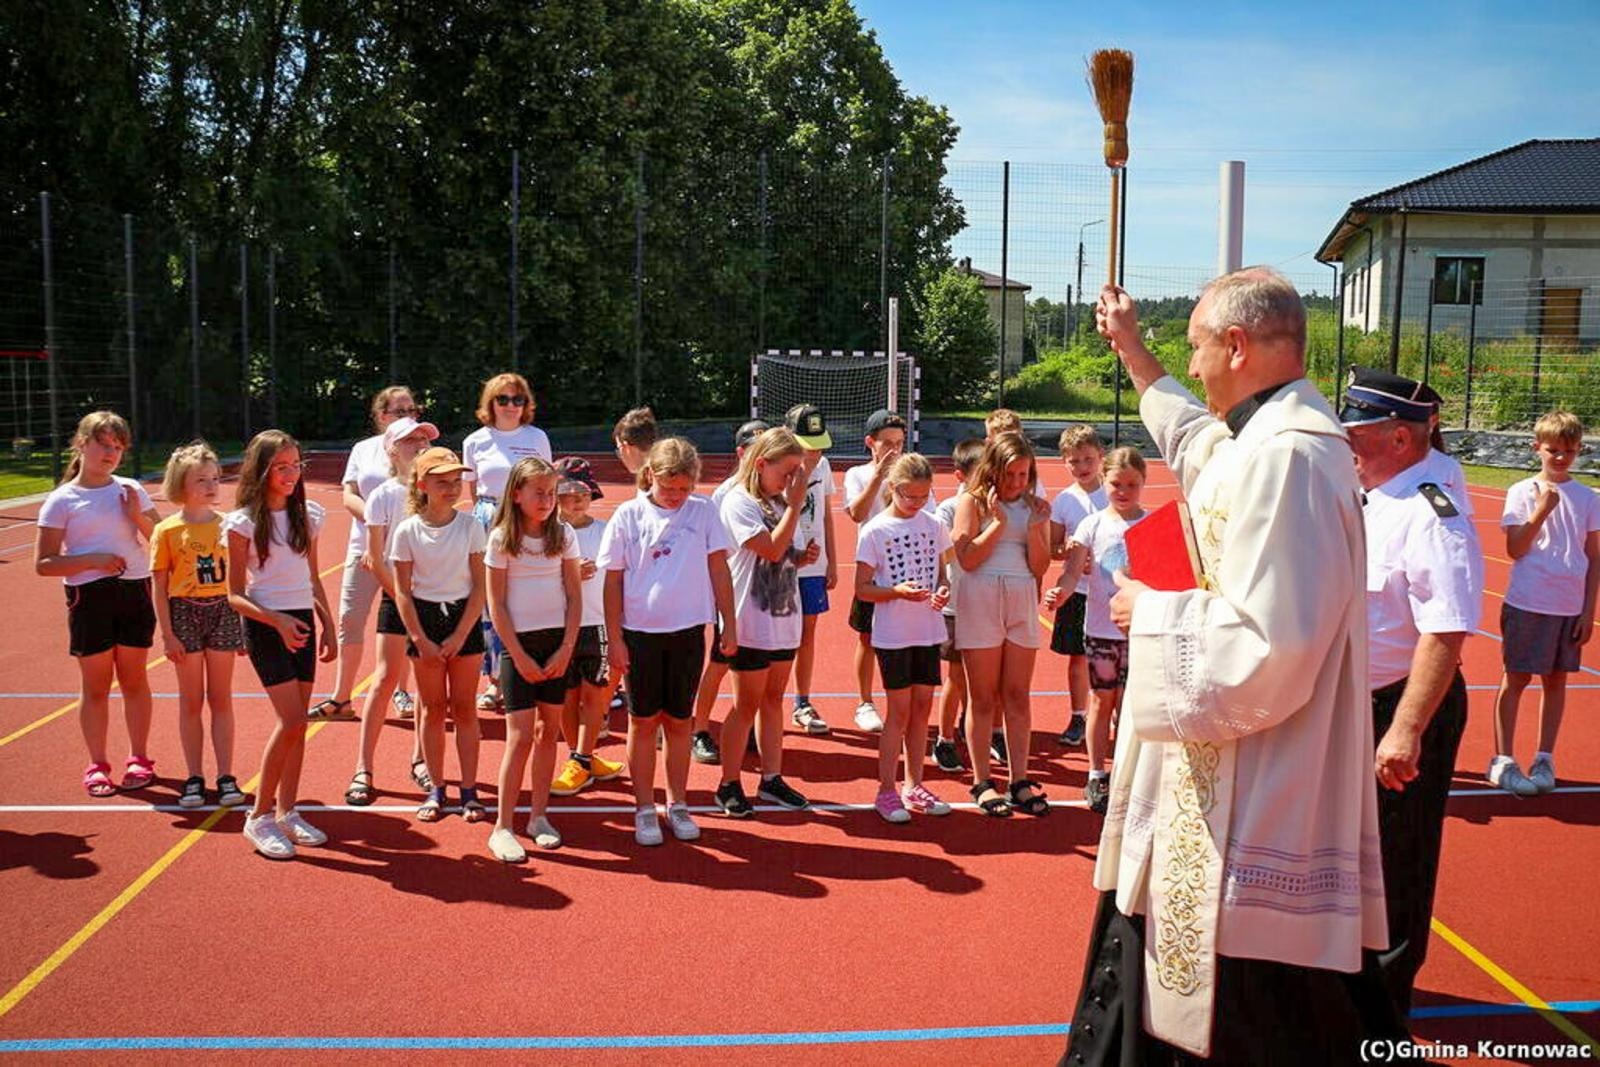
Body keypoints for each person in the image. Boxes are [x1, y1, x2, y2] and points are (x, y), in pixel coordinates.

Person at [1063, 270, 1399, 1063]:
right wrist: (1135, 353)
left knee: (1263, 1018)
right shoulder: (1262, 440)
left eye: (1200, 348)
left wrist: (1151, 612)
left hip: (1254, 799)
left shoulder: (1290, 458)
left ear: (1238, 345)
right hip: (1216, 782)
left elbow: (1270, 645)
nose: (1199, 365)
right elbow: (1195, 439)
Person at [1342, 366, 1485, 1018]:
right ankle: (1348, 998)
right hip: (1355, 704)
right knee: (1349, 860)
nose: (1346, 439)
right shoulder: (1374, 493)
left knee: (1395, 870)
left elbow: (1446, 629)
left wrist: (1405, 728)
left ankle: (1381, 1027)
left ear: (1401, 437)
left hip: (1401, 704)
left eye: (1358, 429)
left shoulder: (1432, 511)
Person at [600, 438, 736, 846]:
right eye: (668, 487)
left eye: (684, 488)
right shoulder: (628, 514)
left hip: (688, 632)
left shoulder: (705, 511)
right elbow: (612, 581)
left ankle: (677, 804)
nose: (676, 496)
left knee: (680, 722)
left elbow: (719, 570)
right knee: (642, 722)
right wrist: (615, 639)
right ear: (650, 476)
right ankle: (644, 807)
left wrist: (729, 623)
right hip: (640, 635)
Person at [35, 411, 161, 798]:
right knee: (96, 686)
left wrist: (136, 516)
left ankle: (139, 758)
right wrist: (94, 560)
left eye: (117, 447)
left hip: (134, 589)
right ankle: (98, 764)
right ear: (81, 444)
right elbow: (44, 563)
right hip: (89, 596)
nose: (110, 453)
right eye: (103, 444)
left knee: (135, 679)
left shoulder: (130, 490)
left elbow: (162, 540)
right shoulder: (61, 500)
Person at [225, 430, 338, 860]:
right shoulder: (243, 524)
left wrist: (326, 623)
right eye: (282, 467)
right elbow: (234, 594)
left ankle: (288, 810)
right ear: (262, 470)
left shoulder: (307, 517)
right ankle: (259, 817)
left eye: (296, 465)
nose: (291, 474)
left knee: (299, 725)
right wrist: (277, 620)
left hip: (303, 623)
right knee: (290, 721)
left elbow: (311, 578)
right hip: (267, 625)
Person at [1490, 409, 1599, 796]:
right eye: (1553, 449)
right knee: (1516, 678)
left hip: (1567, 607)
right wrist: (1541, 511)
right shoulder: (1521, 491)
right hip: (1528, 600)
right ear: (1537, 447)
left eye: (1568, 451)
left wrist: (1589, 610)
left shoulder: (1588, 497)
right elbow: (1515, 549)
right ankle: (1503, 759)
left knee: (1556, 682)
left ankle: (1544, 757)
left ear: (1578, 451)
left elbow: (1594, 556)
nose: (1560, 457)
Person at [714, 428, 817, 817]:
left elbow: (783, 551)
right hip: (750, 619)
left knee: (774, 701)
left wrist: (801, 557)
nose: (793, 480)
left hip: (782, 617)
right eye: (787, 471)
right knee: (746, 705)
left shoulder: (778, 502)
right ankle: (729, 783)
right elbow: (770, 549)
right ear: (761, 464)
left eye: (797, 473)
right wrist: (793, 507)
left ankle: (771, 778)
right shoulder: (739, 502)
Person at [485, 457, 582, 861]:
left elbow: (575, 597)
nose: (546, 499)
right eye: (538, 492)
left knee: (548, 732)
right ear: (517, 494)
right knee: (520, 735)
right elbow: (497, 604)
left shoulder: (564, 536)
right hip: (517, 646)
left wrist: (565, 648)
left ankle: (538, 816)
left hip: (557, 644)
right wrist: (518, 655)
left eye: (550, 492)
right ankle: (502, 826)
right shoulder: (502, 538)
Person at [951, 431, 1052, 818]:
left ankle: (1020, 780)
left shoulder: (1035, 507)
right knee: (982, 696)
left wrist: (1032, 527)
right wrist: (996, 522)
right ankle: (981, 781)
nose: (1015, 483)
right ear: (992, 470)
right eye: (1008, 474)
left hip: (1021, 598)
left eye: (1023, 475)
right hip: (980, 598)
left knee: (1017, 695)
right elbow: (968, 560)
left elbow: (1040, 567)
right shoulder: (972, 501)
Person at [1045, 447, 1147, 815]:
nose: (1123, 491)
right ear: (1104, 482)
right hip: (1101, 630)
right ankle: (1096, 773)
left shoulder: (1151, 524)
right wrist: (1061, 592)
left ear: (1143, 484)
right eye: (1116, 483)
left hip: (1140, 631)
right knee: (1102, 701)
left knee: (1130, 707)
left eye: (1131, 485)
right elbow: (1073, 571)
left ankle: (1126, 773)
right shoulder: (1092, 525)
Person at [390, 446, 489, 826]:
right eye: (442, 481)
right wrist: (421, 638)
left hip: (463, 619)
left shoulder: (471, 526)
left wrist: (462, 632)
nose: (451, 488)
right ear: (422, 484)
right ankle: (436, 787)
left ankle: (469, 791)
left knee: (464, 708)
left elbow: (480, 586)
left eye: (456, 481)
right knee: (431, 709)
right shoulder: (407, 531)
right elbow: (402, 590)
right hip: (424, 622)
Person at [855, 452, 954, 823]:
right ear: (893, 489)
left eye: (922, 496)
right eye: (909, 496)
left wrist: (942, 591)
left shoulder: (933, 525)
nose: (916, 503)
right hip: (894, 635)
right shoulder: (875, 531)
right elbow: (863, 589)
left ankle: (915, 784)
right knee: (898, 712)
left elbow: (942, 575)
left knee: (922, 709)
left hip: (928, 630)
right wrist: (895, 591)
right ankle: (886, 790)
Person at [343, 416, 435, 806]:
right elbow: (374, 556)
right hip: (398, 598)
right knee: (384, 679)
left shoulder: (437, 490)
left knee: (428, 687)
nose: (418, 445)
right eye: (409, 440)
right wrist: (401, 597)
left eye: (422, 439)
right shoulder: (382, 495)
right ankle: (363, 767)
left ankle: (421, 760)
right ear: (392, 450)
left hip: (435, 599)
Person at [150, 442, 247, 809]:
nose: (211, 486)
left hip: (223, 610)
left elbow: (241, 579)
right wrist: (167, 634)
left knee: (221, 698)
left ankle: (226, 775)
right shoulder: (167, 531)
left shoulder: (230, 525)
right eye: (201, 479)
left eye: (215, 479)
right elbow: (159, 587)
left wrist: (242, 623)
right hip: (184, 614)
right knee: (190, 700)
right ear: (181, 484)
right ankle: (194, 776)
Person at [321, 385, 421, 720]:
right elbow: (348, 494)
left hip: (407, 554)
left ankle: (402, 692)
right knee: (350, 619)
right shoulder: (363, 450)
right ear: (381, 416)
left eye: (412, 410)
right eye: (400, 411)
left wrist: (384, 538)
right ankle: (341, 697)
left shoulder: (422, 447)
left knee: (403, 621)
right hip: (362, 548)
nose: (409, 416)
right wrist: (375, 528)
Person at [462, 372, 553, 711]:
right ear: (491, 403)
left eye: (518, 399)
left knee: (523, 596)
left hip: (527, 520)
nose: (511, 406)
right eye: (503, 399)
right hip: (489, 521)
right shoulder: (475, 442)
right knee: (490, 602)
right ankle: (495, 681)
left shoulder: (537, 437)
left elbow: (545, 483)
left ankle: (522, 669)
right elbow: (474, 493)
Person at [842, 410, 935, 733]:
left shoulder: (914, 477)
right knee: (868, 638)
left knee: (911, 640)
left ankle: (903, 702)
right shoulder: (857, 474)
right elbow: (856, 513)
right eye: (887, 444)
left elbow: (932, 520)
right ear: (871, 443)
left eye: (900, 443)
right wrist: (879, 477)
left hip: (911, 569)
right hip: (876, 569)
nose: (895, 450)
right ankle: (865, 702)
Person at [692, 418, 769, 764]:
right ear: (742, 452)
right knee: (719, 663)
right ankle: (699, 729)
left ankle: (745, 725)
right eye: (755, 448)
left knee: (753, 671)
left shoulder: (771, 489)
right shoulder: (727, 493)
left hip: (764, 597)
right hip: (733, 596)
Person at [551, 457, 627, 796]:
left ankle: (584, 757)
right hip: (560, 626)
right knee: (568, 696)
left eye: (582, 492)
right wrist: (567, 574)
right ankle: (577, 757)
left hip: (598, 622)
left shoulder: (605, 529)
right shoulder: (548, 535)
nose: (576, 499)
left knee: (596, 695)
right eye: (566, 493)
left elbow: (619, 577)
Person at [1047, 425, 1108, 749]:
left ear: (1101, 457)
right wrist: (1069, 551)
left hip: (1111, 591)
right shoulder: (1064, 501)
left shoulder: (1113, 493)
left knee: (1115, 655)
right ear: (1064, 462)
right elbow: (1052, 547)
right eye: (1074, 461)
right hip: (1077, 591)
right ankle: (1078, 715)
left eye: (1087, 459)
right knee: (1078, 658)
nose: (1082, 467)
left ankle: (1113, 709)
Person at [930, 438, 985, 773]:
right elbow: (947, 551)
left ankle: (983, 732)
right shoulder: (949, 509)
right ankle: (944, 738)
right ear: (961, 475)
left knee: (983, 679)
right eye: (981, 474)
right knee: (956, 677)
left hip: (985, 603)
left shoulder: (997, 506)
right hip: (956, 604)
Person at [784, 404, 839, 736]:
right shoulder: (777, 469)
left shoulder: (824, 466)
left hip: (813, 567)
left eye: (819, 446)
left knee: (807, 633)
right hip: (781, 565)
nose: (815, 454)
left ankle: (802, 701)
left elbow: (827, 515)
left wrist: (831, 558)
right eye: (808, 446)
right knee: (777, 638)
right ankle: (765, 702)